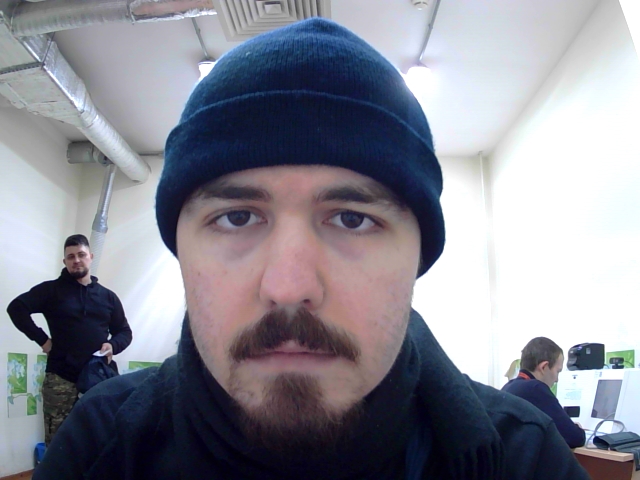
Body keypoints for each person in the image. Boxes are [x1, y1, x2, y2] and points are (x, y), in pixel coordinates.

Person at [34, 19, 589, 479]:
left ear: (419, 257)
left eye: (353, 218)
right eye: (236, 217)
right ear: (181, 249)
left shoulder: (524, 458)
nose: (289, 286)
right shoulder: (99, 448)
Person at [7, 234, 132, 446]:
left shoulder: (108, 297)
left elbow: (124, 332)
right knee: (58, 442)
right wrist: (43, 340)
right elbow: (16, 308)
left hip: (98, 378)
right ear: (64, 261)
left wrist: (113, 345)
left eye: (81, 255)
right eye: (71, 256)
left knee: (99, 439)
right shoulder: (51, 290)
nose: (76, 260)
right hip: (61, 378)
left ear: (91, 257)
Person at [502, 337, 586, 448]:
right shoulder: (535, 389)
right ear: (544, 367)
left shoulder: (508, 387)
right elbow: (575, 438)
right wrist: (578, 429)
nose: (557, 380)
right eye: (558, 371)